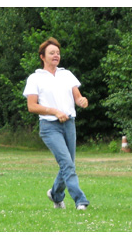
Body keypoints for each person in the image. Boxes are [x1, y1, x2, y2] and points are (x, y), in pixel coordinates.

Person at [23, 37, 90, 210]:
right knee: (67, 163)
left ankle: (55, 195)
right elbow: (32, 106)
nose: (56, 55)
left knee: (68, 164)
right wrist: (54, 111)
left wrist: (82, 101)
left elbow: (78, 97)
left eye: (58, 53)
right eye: (51, 53)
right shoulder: (35, 78)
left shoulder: (66, 75)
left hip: (69, 124)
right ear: (42, 57)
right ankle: (80, 200)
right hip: (49, 127)